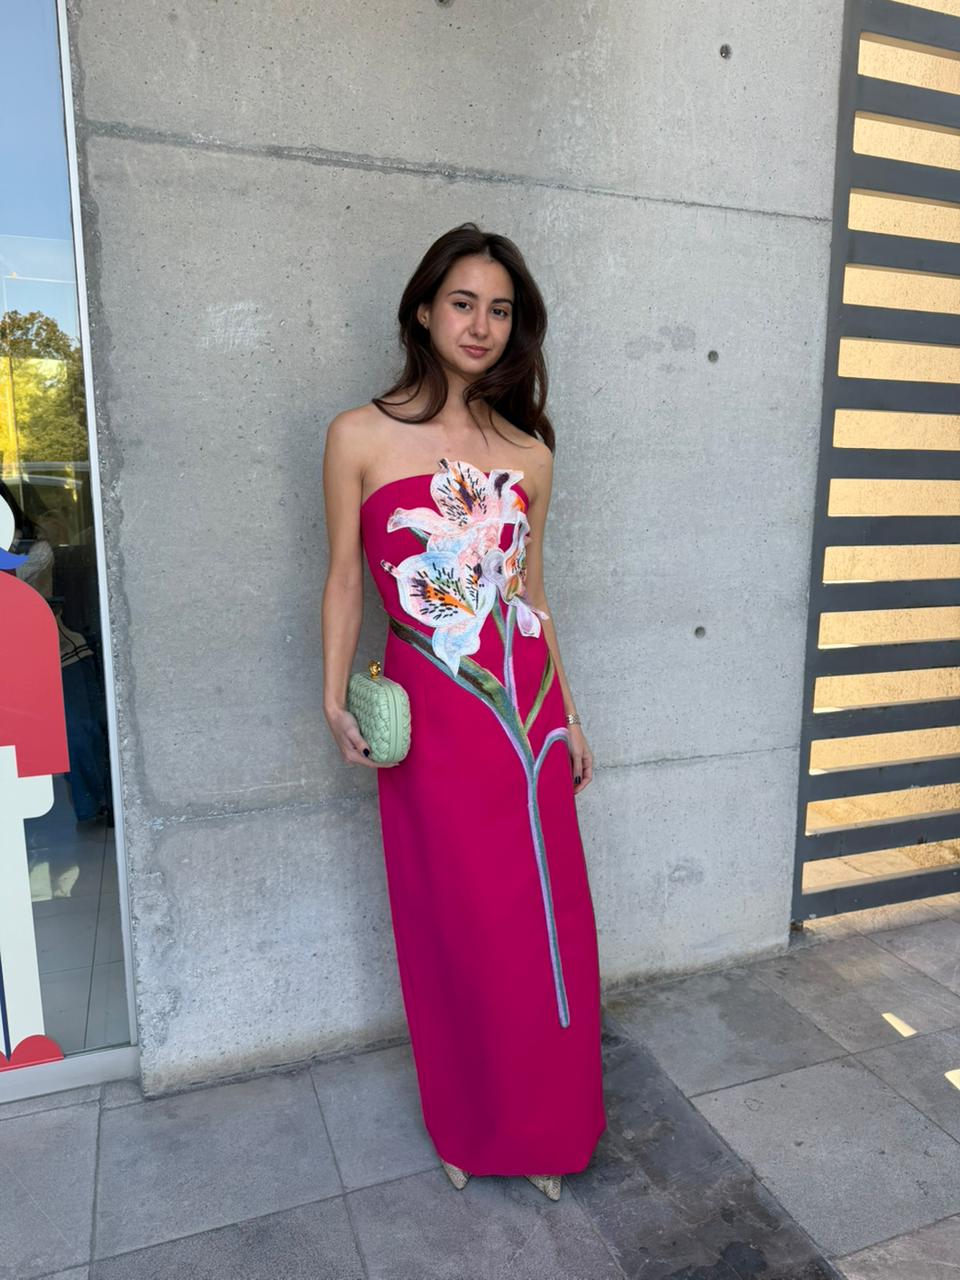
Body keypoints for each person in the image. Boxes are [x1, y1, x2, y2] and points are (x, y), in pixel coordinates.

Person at [320, 223, 606, 1201]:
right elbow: (345, 580)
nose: (481, 325)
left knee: (541, 927)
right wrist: (332, 695)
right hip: (434, 727)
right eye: (462, 303)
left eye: (501, 310)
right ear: (422, 311)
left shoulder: (530, 450)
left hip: (527, 721)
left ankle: (549, 1125)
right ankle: (469, 1122)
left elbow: (532, 596)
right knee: (455, 925)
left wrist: (570, 716)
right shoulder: (358, 436)